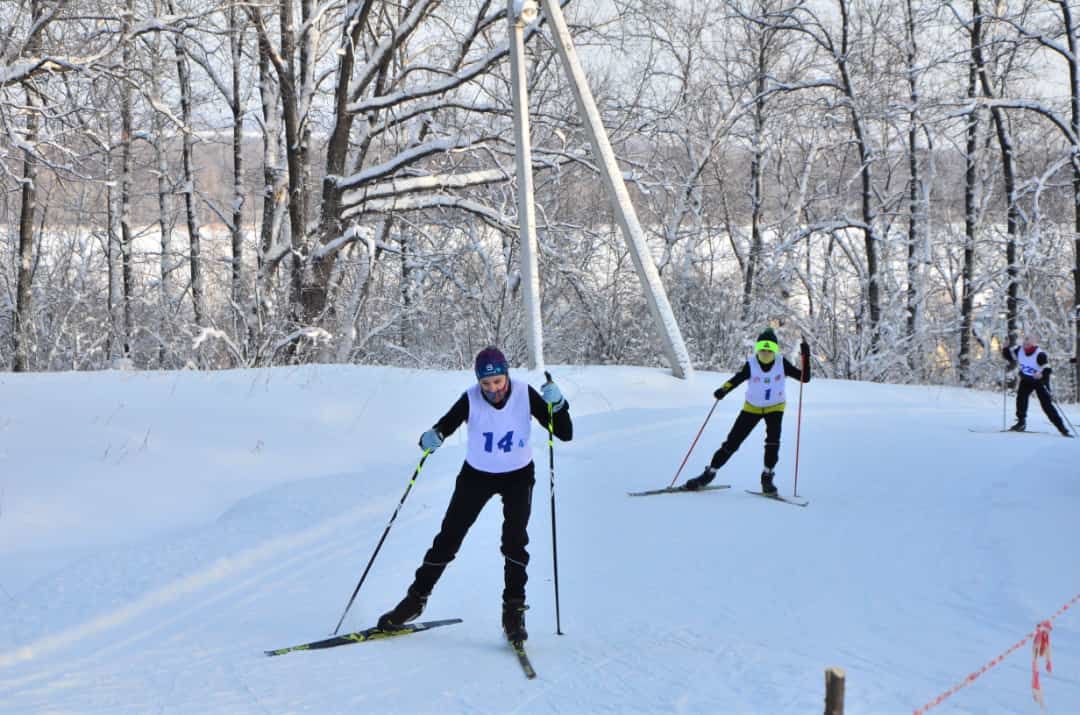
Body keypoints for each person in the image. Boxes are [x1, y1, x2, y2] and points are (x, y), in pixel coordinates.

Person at [377, 346, 573, 643]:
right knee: (448, 539)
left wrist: (558, 405)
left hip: (518, 476)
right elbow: (444, 425)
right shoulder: (470, 398)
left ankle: (513, 611)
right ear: (478, 382)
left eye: (498, 382)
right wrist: (431, 438)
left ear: (506, 376)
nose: (493, 389)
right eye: (486, 384)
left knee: (515, 542)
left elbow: (564, 433)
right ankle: (415, 600)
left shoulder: (524, 393)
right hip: (476, 476)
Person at [684, 328, 810, 495]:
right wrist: (723, 390)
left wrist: (806, 357)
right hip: (752, 407)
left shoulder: (782, 363)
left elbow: (805, 378)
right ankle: (709, 473)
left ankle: (767, 478)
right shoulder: (752, 364)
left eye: (769, 350)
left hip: (775, 407)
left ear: (775, 350)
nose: (765, 353)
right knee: (732, 442)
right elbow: (736, 379)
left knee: (772, 443)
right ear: (758, 349)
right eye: (762, 349)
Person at [1002, 334, 1071, 437]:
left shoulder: (1040, 355)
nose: (1026, 343)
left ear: (1034, 343)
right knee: (1021, 398)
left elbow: (1048, 369)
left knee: (1046, 405)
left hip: (1040, 381)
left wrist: (1041, 374)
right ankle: (1021, 423)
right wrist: (1005, 348)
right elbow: (1010, 357)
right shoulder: (1019, 350)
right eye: (1025, 340)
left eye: (1028, 342)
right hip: (1027, 379)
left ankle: (1062, 428)